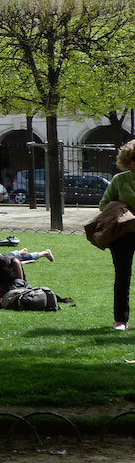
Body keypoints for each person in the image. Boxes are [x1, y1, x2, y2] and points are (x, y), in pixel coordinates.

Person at [100, 139, 135, 330]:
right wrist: (122, 209)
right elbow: (103, 204)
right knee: (122, 276)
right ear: (128, 160)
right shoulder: (119, 180)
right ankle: (121, 319)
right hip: (123, 234)